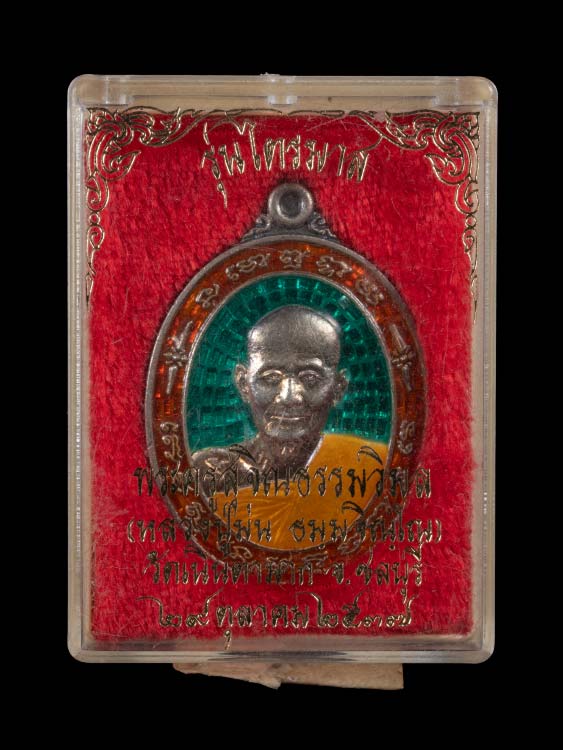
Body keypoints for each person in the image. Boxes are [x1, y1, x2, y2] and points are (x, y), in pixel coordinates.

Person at [192, 305, 388, 550]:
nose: (289, 396)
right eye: (271, 377)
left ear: (338, 388)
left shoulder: (371, 468)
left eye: (310, 378)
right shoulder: (211, 474)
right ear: (243, 384)